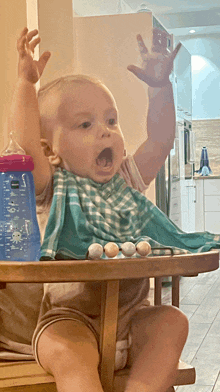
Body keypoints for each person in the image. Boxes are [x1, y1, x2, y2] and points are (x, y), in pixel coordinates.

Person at [0, 26, 194, 392]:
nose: (106, 132)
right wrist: (27, 84)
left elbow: (160, 138)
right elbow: (25, 147)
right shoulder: (52, 188)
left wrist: (159, 87)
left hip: (132, 319)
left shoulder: (128, 180)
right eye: (85, 125)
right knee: (68, 353)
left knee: (172, 322)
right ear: (52, 151)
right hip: (70, 320)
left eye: (111, 120)